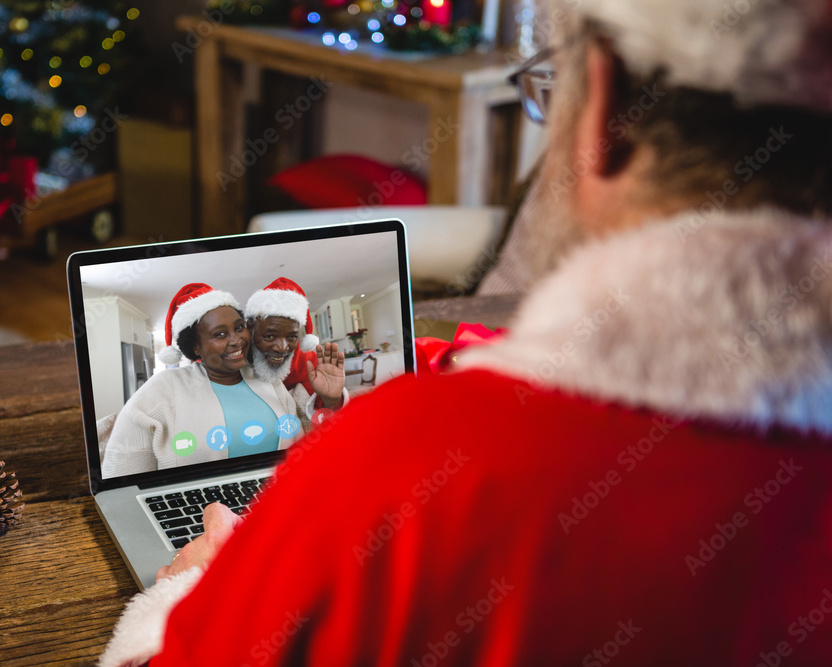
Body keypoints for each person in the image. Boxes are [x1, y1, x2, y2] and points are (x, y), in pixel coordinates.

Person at [99, 1, 832, 664]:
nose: (248, 344)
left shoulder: (390, 472)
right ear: (194, 343)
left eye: (552, 87)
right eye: (233, 334)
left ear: (603, 103)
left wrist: (192, 588)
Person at [101, 283, 336, 477]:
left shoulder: (267, 379)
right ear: (195, 346)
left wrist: (331, 399)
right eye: (220, 334)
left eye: (239, 328)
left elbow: (302, 447)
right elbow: (121, 474)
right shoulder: (163, 389)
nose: (237, 340)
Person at [244, 276, 347, 411]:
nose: (282, 348)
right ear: (250, 330)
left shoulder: (308, 362)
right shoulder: (233, 359)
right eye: (269, 336)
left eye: (292, 337)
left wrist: (333, 400)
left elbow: (323, 416)